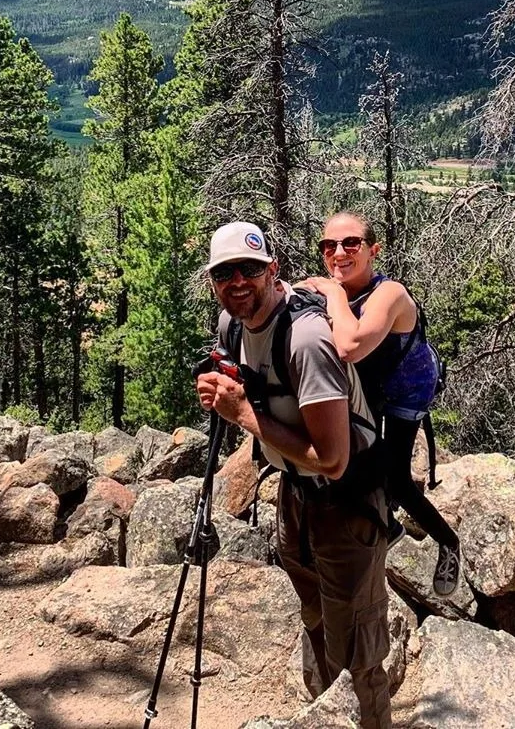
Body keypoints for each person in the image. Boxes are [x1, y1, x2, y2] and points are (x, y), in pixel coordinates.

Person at [195, 221, 392, 729]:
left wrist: (241, 414)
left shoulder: (306, 339)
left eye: (250, 270)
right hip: (295, 496)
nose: (237, 281)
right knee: (317, 626)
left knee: (355, 655)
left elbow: (333, 459)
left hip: (347, 503)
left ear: (272, 271)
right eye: (225, 273)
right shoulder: (230, 325)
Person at [299, 211, 461, 597]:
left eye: (350, 243)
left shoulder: (390, 294)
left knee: (397, 480)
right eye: (329, 246)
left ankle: (448, 541)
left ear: (373, 251)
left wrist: (333, 295)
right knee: (351, 458)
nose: (338, 252)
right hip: (371, 386)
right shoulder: (335, 291)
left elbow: (350, 346)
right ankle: (386, 525)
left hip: (406, 391)